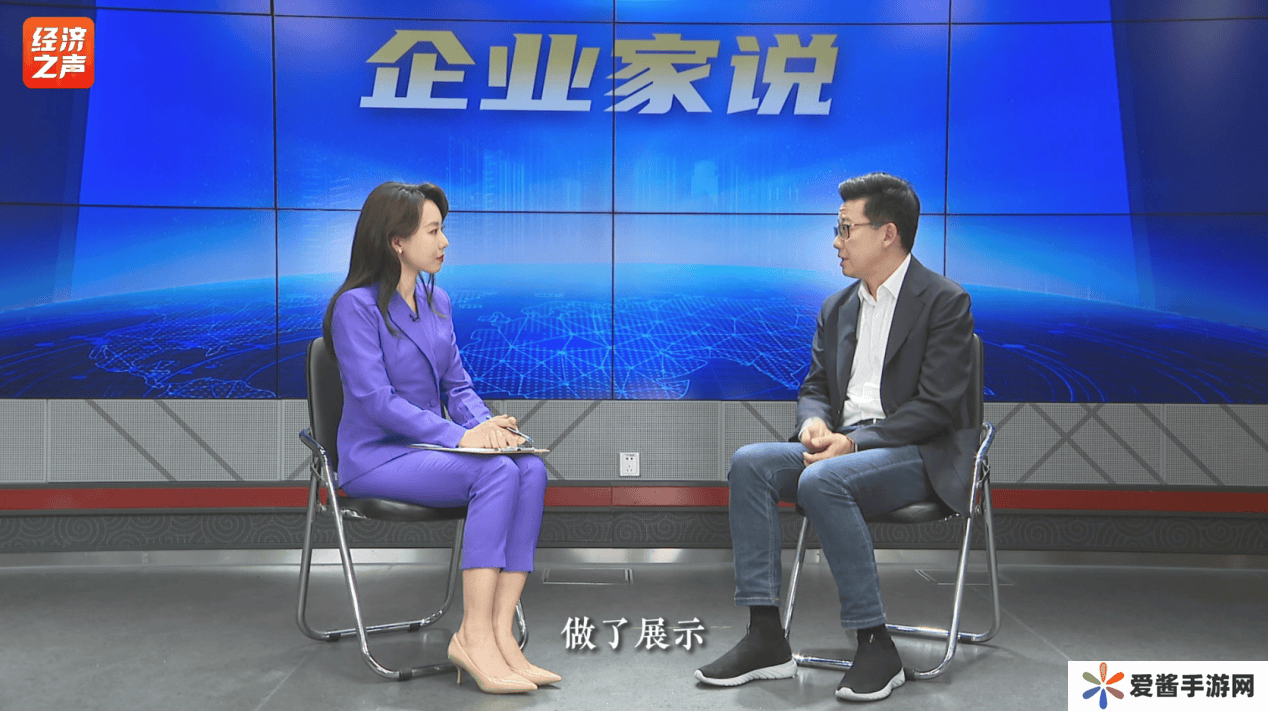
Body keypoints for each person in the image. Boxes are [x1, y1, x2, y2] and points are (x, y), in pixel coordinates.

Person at [695, 173, 978, 702]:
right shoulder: (837, 307)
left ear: (888, 234)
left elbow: (937, 408)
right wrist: (814, 423)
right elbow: (816, 387)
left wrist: (855, 444)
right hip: (844, 449)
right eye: (837, 228)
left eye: (847, 228)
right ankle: (765, 637)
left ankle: (875, 644)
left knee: (823, 480)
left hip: (919, 454)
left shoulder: (944, 301)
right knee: (750, 463)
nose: (836, 241)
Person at [322, 181, 557, 695]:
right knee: (496, 476)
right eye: (433, 231)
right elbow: (377, 401)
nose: (444, 241)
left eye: (442, 229)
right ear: (397, 241)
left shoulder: (437, 301)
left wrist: (489, 429)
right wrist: (463, 437)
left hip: (429, 450)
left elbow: (458, 386)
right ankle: (473, 636)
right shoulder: (355, 308)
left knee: (530, 469)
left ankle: (501, 635)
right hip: (377, 458)